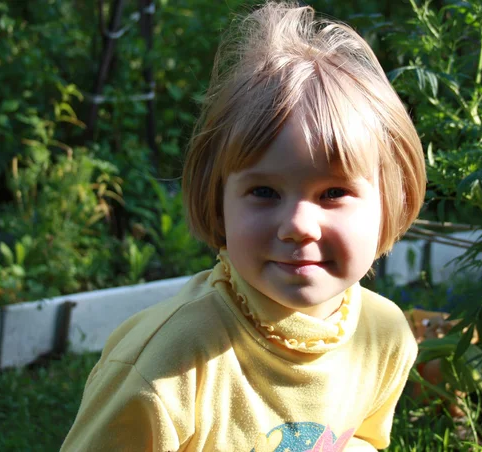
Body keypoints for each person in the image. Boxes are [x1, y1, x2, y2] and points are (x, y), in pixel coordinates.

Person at [61, 2, 426, 451]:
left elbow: (361, 442)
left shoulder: (385, 335)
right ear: (217, 203)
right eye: (265, 192)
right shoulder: (165, 364)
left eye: (333, 193)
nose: (297, 226)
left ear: (391, 204)